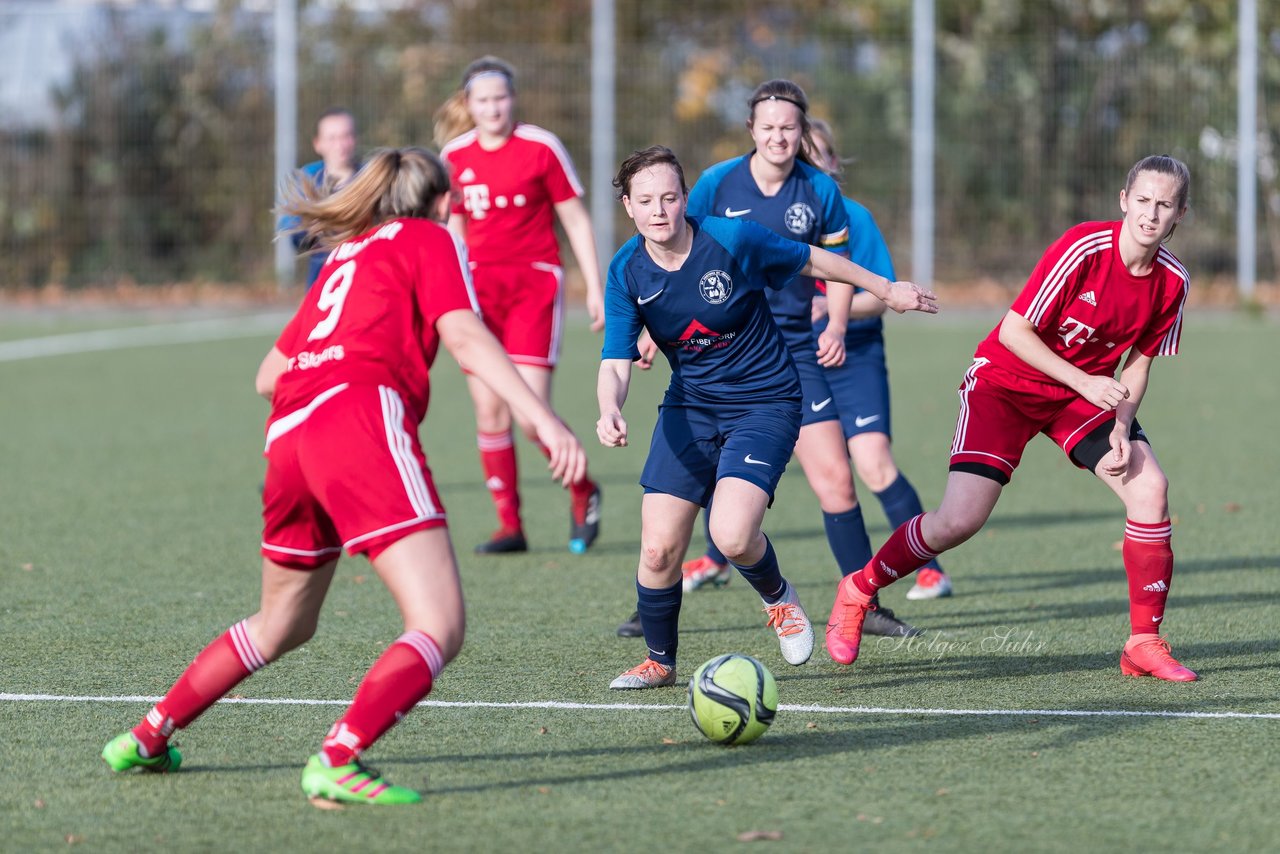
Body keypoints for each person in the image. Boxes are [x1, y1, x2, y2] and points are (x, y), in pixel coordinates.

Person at [102, 147, 588, 803]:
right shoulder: (428, 237)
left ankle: (147, 736)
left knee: (282, 624)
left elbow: (266, 376)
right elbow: (467, 336)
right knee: (438, 622)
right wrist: (545, 422)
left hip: (291, 434)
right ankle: (338, 756)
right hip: (356, 422)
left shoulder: (345, 258)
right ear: (442, 203)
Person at [825, 155, 1196, 683]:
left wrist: (1119, 425)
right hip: (1007, 383)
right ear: (1123, 200)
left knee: (1150, 487)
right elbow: (1013, 333)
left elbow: (1138, 361)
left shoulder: (1173, 280)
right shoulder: (1083, 248)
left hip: (1079, 395)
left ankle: (1144, 642)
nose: (1150, 214)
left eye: (1164, 205)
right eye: (1142, 200)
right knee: (959, 521)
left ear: (1181, 212)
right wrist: (1088, 384)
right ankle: (857, 591)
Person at [599, 145, 936, 689]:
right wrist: (608, 408)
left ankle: (779, 597)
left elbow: (813, 259)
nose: (659, 210)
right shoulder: (626, 271)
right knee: (659, 549)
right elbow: (615, 358)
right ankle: (660, 663)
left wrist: (885, 289)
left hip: (766, 401)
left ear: (685, 198)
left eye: (668, 197)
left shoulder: (730, 239)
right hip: (690, 408)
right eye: (646, 201)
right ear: (628, 207)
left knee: (731, 533)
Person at [436, 56, 605, 555]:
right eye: (483, 100)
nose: (493, 108)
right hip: (478, 293)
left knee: (531, 414)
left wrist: (593, 286)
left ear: (513, 100)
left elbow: (574, 219)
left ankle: (582, 489)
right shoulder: (454, 155)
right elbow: (455, 230)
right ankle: (510, 526)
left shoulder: (540, 146)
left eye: (501, 97)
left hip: (533, 286)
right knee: (489, 412)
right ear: (468, 104)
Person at [806, 118, 952, 601]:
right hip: (793, 362)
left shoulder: (853, 218)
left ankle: (929, 568)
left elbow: (883, 294)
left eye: (821, 155)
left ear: (834, 164)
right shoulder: (769, 223)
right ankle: (717, 555)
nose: (814, 165)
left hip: (855, 356)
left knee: (873, 464)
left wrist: (834, 307)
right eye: (805, 157)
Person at [281, 107, 362, 290]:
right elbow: (295, 237)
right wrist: (319, 224)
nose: (340, 144)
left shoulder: (372, 178)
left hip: (364, 278)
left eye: (345, 136)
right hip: (322, 283)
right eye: (332, 138)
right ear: (318, 144)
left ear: (355, 139)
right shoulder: (306, 181)